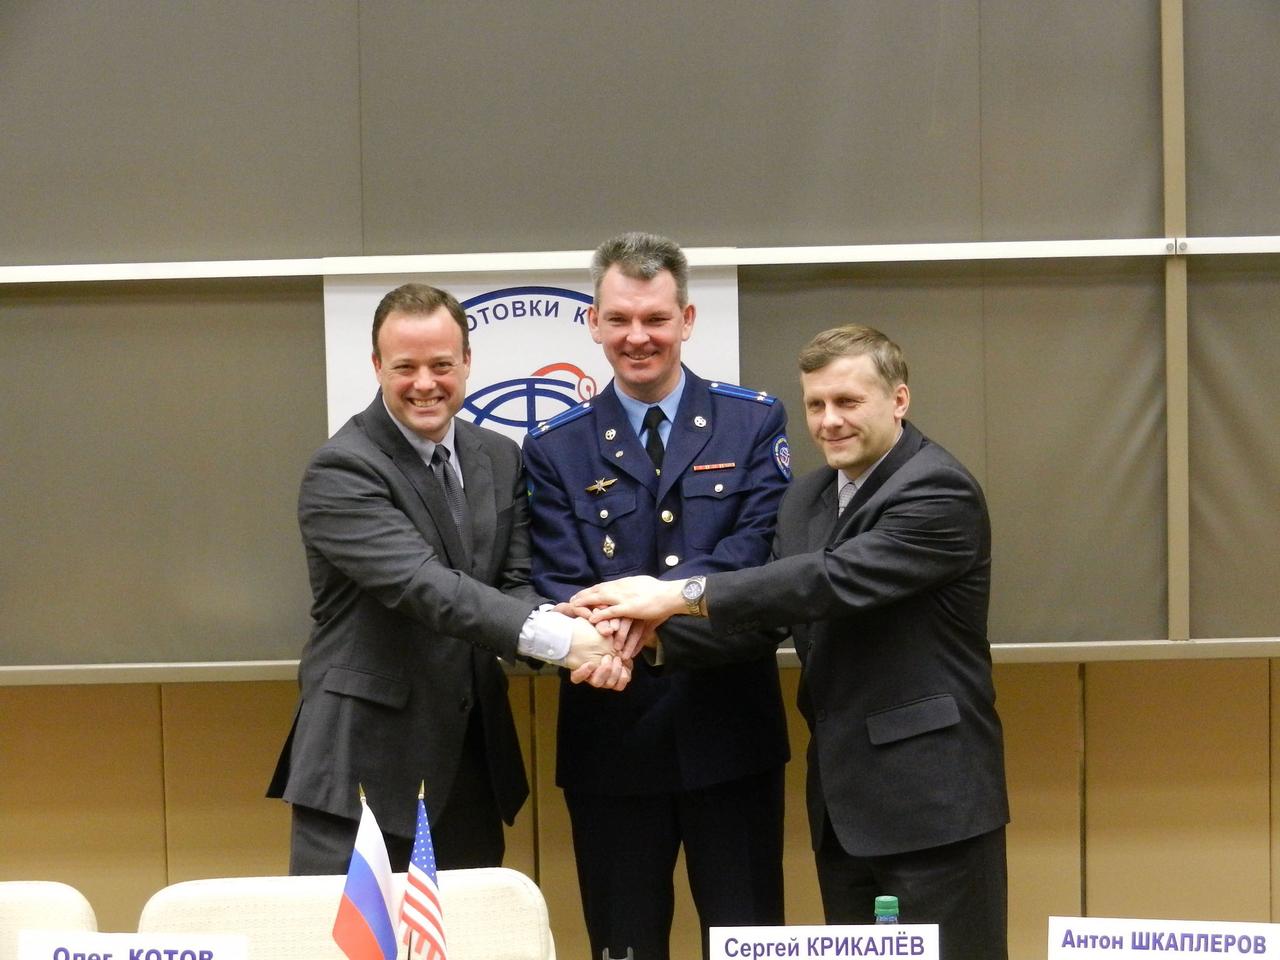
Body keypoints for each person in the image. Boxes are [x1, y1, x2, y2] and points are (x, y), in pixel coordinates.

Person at [574, 325, 1010, 960]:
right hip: (843, 809)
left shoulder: (937, 489)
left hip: (933, 807)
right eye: (815, 404)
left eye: (848, 402)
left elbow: (828, 581)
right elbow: (763, 615)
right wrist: (643, 640)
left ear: (899, 400)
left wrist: (676, 594)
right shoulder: (807, 497)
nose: (829, 422)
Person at [267, 282, 629, 876]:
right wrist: (569, 642)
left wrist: (585, 630)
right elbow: (426, 588)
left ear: (467, 363)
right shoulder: (343, 468)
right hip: (363, 772)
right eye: (405, 367)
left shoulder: (499, 455)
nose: (425, 383)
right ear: (377, 367)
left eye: (441, 365)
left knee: (469, 925)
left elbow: (513, 584)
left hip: (468, 765)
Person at [522, 232, 792, 959]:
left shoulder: (753, 422)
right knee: (624, 947)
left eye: (655, 319)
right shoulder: (554, 446)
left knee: (747, 944)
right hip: (611, 741)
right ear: (594, 323)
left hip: (731, 737)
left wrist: (651, 620)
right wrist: (643, 622)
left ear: (687, 319)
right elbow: (559, 580)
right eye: (619, 319)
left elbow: (756, 567)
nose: (637, 337)